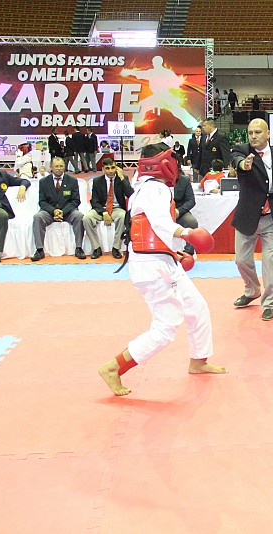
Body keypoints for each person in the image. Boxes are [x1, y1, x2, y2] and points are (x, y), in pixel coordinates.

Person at [97, 143, 225, 396]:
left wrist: (175, 252)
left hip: (160, 260)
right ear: (163, 164)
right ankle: (114, 367)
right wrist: (187, 233)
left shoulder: (144, 187)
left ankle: (199, 360)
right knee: (166, 327)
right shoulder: (155, 188)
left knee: (196, 307)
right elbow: (160, 222)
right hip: (151, 267)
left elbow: (149, 229)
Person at [230, 118, 273, 321]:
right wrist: (243, 164)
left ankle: (269, 303)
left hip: (272, 217)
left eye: (258, 132)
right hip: (247, 214)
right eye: (250, 133)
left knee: (270, 262)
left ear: (268, 134)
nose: (254, 136)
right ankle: (252, 290)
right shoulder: (242, 150)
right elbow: (236, 160)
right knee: (241, 260)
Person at [31, 157, 86, 261]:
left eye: (61, 166)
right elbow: (42, 201)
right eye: (56, 166)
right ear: (51, 167)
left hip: (68, 211)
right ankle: (39, 250)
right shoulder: (43, 182)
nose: (59, 168)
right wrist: (53, 211)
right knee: (37, 217)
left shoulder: (72, 181)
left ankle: (79, 248)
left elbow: (75, 201)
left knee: (79, 216)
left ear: (64, 167)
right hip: (49, 212)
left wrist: (63, 212)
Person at [84, 158, 134, 259]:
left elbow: (131, 194)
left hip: (117, 208)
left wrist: (122, 178)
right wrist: (104, 213)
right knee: (87, 218)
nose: (110, 171)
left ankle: (116, 248)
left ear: (116, 168)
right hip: (101, 208)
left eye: (113, 167)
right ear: (103, 169)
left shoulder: (122, 178)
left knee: (123, 216)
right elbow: (94, 201)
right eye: (107, 168)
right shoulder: (97, 181)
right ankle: (96, 248)